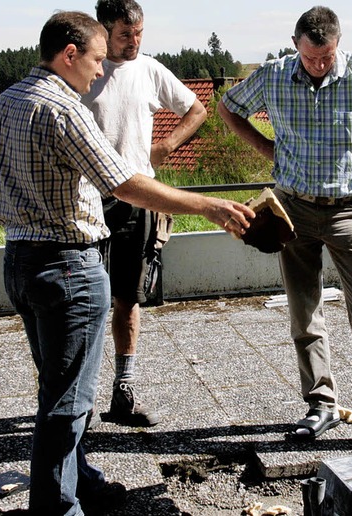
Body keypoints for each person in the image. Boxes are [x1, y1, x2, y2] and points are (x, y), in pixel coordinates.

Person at [0, 11, 253, 515]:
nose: (97, 71)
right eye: (93, 58)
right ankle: (56, 508)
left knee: (56, 388)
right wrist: (211, 206)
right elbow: (123, 181)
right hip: (67, 267)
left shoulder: (7, 100)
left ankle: (82, 480)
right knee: (69, 404)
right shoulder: (64, 109)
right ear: (70, 54)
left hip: (20, 261)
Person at [218, 6, 352, 448]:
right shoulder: (273, 75)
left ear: (338, 44)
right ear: (296, 45)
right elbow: (228, 107)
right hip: (292, 210)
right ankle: (320, 405)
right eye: (311, 57)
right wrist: (266, 148)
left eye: (327, 56)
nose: (319, 64)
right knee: (303, 311)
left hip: (351, 210)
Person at [81, 0, 207, 427]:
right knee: (86, 302)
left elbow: (197, 109)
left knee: (128, 298)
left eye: (139, 34)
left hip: (139, 203)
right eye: (124, 35)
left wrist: (168, 146)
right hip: (87, 204)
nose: (133, 42)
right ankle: (76, 398)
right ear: (104, 30)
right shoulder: (83, 71)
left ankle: (123, 392)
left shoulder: (150, 70)